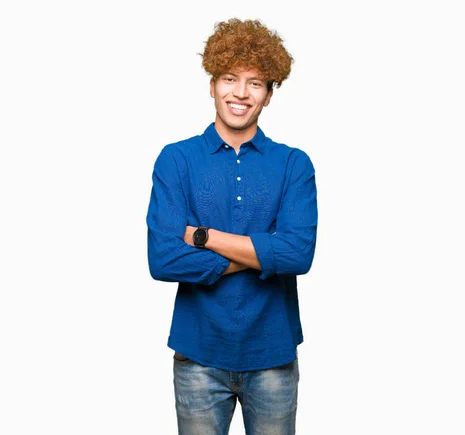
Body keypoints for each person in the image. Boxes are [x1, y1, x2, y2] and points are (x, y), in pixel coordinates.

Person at [146, 18, 318, 435]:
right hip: (198, 356)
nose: (241, 93)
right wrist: (265, 252)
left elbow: (298, 255)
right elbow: (164, 259)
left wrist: (203, 238)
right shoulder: (177, 160)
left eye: (255, 83)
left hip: (272, 355)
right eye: (229, 79)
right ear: (212, 85)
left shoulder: (294, 164)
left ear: (269, 95)